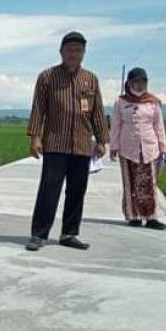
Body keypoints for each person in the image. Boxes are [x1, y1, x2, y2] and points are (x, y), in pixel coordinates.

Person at [25, 31, 109, 251]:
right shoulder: (47, 77)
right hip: (55, 142)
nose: (74, 54)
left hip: (82, 145)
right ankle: (39, 234)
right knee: (49, 190)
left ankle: (69, 233)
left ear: (84, 53)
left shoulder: (90, 79)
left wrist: (102, 140)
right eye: (69, 50)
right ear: (61, 51)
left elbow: (97, 111)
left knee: (77, 190)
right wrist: (35, 137)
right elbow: (38, 109)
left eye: (78, 50)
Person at [109, 67, 166, 229]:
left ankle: (151, 217)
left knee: (149, 182)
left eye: (143, 81)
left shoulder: (153, 103)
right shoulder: (121, 102)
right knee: (130, 183)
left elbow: (159, 126)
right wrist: (113, 146)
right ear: (128, 83)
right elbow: (116, 125)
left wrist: (163, 148)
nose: (140, 85)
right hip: (127, 147)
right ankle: (132, 216)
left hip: (149, 147)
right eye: (136, 82)